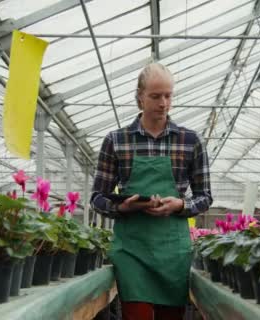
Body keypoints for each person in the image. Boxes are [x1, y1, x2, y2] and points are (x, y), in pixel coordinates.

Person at [90, 62, 213, 320]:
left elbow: (205, 197)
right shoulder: (116, 141)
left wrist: (180, 206)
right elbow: (97, 198)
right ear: (140, 97)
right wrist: (122, 207)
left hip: (172, 251)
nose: (163, 103)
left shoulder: (190, 141)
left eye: (168, 95)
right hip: (133, 250)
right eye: (155, 96)